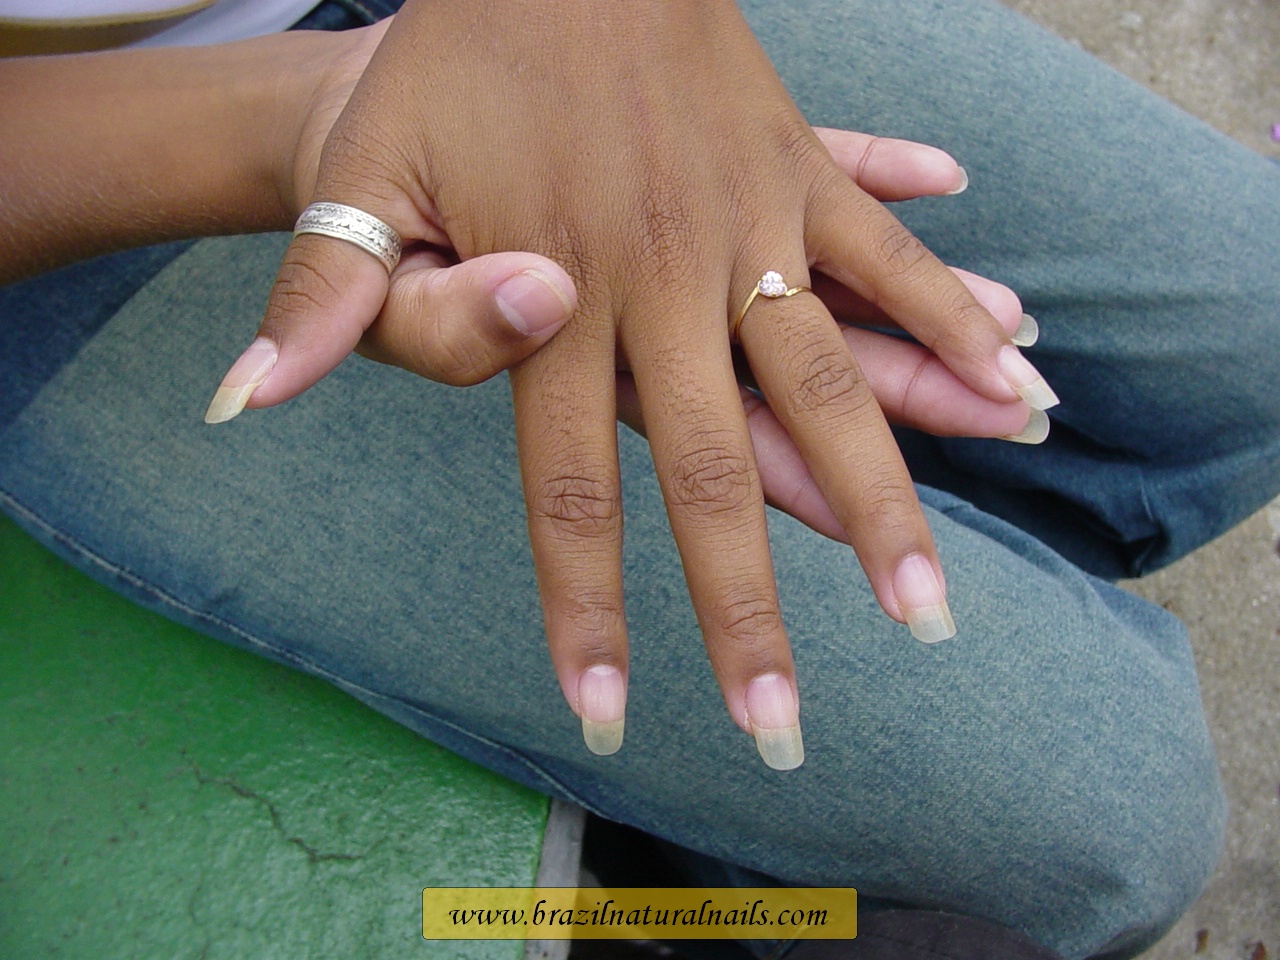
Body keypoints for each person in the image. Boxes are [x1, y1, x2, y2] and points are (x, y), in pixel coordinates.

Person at [1, 0, 1276, 957]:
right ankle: (718, 857)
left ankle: (948, 544)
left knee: (1252, 317)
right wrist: (309, 106)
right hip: (106, 186)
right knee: (1117, 818)